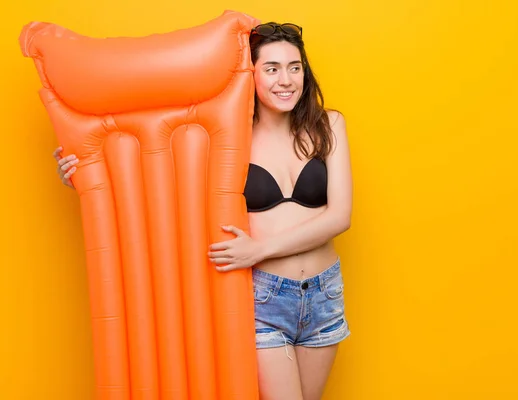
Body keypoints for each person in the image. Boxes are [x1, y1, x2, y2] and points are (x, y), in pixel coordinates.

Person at [53, 22, 352, 400]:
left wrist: (259, 249)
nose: (286, 80)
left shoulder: (329, 125)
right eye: (271, 68)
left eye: (295, 67)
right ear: (251, 73)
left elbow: (339, 216)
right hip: (264, 300)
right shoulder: (229, 136)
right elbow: (158, 174)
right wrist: (88, 176)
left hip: (326, 295)